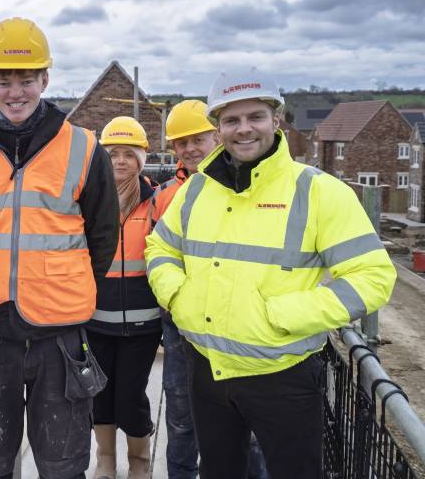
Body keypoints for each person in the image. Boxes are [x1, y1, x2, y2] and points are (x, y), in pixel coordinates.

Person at [145, 76, 396, 478]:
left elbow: (373, 276)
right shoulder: (197, 192)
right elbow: (160, 248)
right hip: (207, 368)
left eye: (255, 116)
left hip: (283, 374)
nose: (243, 128)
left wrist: (283, 315)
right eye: (231, 120)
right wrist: (178, 298)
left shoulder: (318, 192)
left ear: (276, 120)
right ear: (218, 128)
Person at [0, 17, 119, 479]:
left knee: (62, 466)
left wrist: (65, 282)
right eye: (4, 80)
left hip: (58, 335)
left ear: (45, 79)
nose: (15, 91)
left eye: (26, 79)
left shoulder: (83, 148)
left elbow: (103, 234)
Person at [154, 100, 269, 479]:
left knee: (244, 427)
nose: (189, 149)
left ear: (216, 136)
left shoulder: (248, 188)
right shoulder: (169, 195)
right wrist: (176, 299)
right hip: (181, 324)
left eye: (198, 139)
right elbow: (159, 253)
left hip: (239, 325)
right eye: (180, 142)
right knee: (182, 419)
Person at [87, 116, 161, 479]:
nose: (119, 161)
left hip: (143, 322)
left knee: (131, 396)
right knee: (100, 395)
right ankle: (105, 461)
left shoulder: (156, 202)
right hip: (97, 319)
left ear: (140, 160)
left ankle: (139, 464)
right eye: (112, 154)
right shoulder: (90, 201)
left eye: (128, 155)